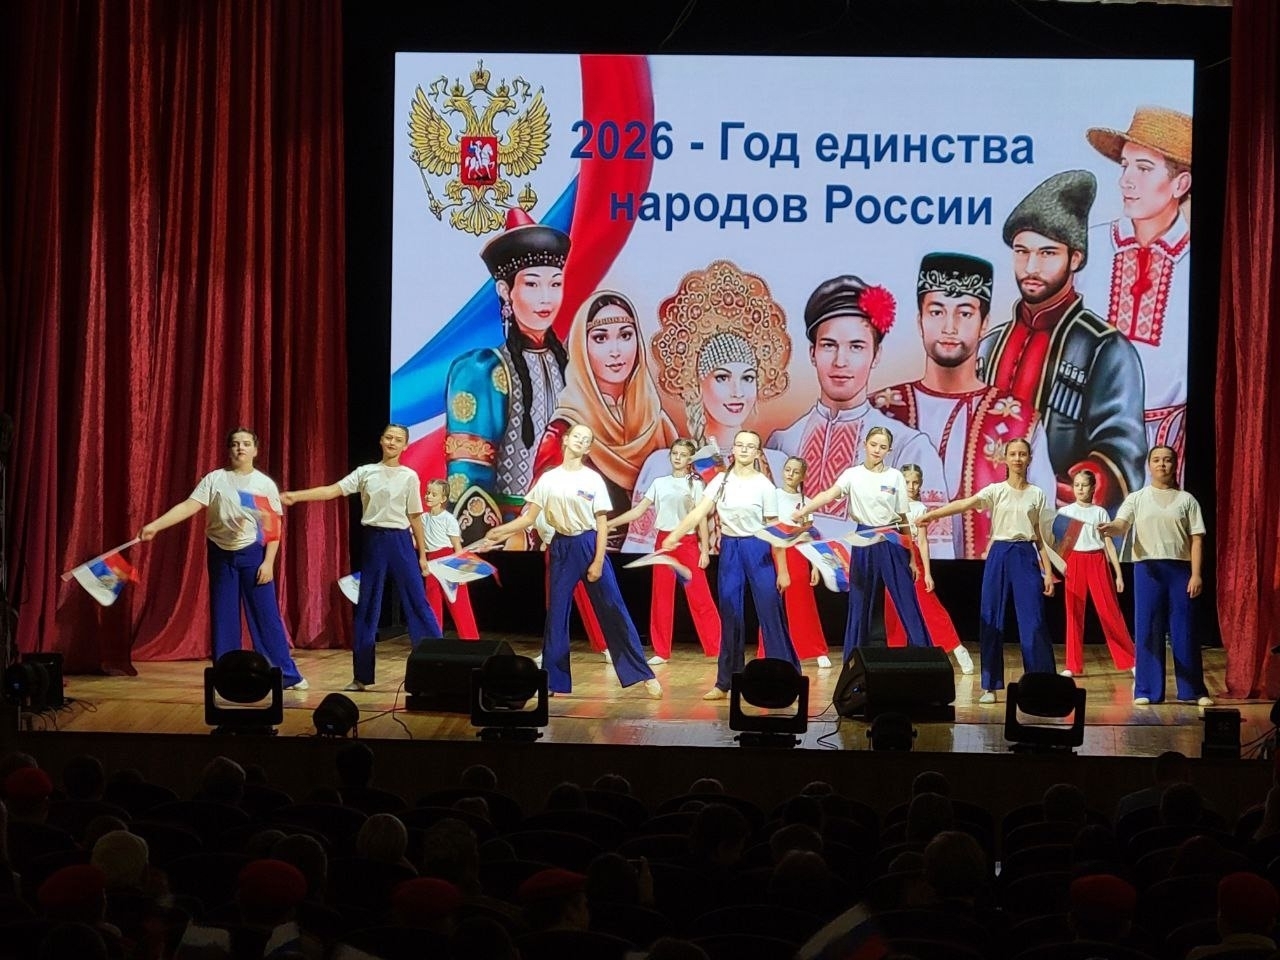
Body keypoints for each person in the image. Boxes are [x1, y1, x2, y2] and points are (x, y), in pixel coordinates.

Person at [977, 170, 1147, 509]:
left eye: (1047, 253)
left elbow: (1123, 452)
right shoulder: (990, 344)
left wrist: (1078, 490)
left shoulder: (1105, 348)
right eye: (1022, 252)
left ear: (1076, 258)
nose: (1031, 267)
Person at [874, 252, 1056, 558]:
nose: (950, 326)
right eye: (936, 312)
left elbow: (1043, 518)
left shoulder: (1020, 421)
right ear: (920, 321)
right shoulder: (882, 411)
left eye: (965, 313)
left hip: (989, 575)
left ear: (984, 324)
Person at [484, 423, 660, 698]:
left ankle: (643, 673)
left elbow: (601, 524)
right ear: (565, 440)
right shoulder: (549, 479)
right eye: (576, 436)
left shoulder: (592, 480)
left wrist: (598, 561)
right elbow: (529, 518)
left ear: (588, 448)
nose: (580, 441)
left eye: (586, 439)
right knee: (556, 615)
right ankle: (553, 682)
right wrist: (500, 531)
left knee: (613, 608)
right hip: (562, 547)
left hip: (589, 544)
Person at [627, 259, 792, 553]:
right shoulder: (663, 465)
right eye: (722, 377)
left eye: (748, 377)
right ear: (696, 382)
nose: (737, 392)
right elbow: (639, 553)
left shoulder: (777, 466)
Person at [767, 274, 942, 536]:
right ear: (812, 353)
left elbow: (933, 547)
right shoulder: (781, 444)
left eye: (856, 347)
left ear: (876, 355)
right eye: (829, 345)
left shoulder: (909, 448)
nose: (840, 361)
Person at [138, 427, 306, 690]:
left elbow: (273, 528)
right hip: (220, 554)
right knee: (223, 615)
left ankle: (286, 674)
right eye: (235, 444)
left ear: (255, 450)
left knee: (266, 616)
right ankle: (226, 675)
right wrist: (155, 526)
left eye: (246, 443)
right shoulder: (215, 479)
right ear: (229, 450)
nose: (240, 448)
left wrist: (268, 562)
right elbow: (189, 506)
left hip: (252, 554)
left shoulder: (263, 484)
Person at [282, 424, 443, 691]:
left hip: (400, 541)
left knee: (418, 603)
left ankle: (437, 668)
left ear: (405, 446)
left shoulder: (409, 476)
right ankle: (362, 676)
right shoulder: (366, 472)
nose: (392, 442)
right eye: (388, 437)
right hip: (374, 541)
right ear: (381, 440)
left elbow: (415, 517)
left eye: (398, 440)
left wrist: (423, 556)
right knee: (368, 606)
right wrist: (296, 496)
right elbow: (332, 490)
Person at [443, 209, 571, 541]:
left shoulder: (572, 365)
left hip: (568, 527)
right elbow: (467, 479)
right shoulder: (484, 369)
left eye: (555, 284)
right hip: (508, 534)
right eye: (532, 284)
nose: (546, 298)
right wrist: (494, 539)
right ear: (505, 290)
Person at [1082, 106, 1192, 475]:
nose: (1126, 181)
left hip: (1169, 445)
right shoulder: (1091, 247)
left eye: (1143, 169)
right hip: (1092, 443)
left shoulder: (1195, 259)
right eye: (1125, 166)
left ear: (1180, 184)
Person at [661, 429, 801, 700]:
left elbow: (775, 530)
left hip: (758, 547)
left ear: (757, 452)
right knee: (730, 613)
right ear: (733, 450)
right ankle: (726, 681)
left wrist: (782, 570)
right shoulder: (721, 481)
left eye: (750, 446)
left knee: (770, 612)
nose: (744, 449)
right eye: (740, 445)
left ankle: (786, 678)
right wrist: (675, 535)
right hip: (730, 549)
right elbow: (699, 512)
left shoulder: (764, 485)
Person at [534, 290, 677, 549]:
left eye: (625, 336)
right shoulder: (565, 431)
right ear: (581, 347)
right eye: (600, 338)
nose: (616, 351)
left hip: (653, 562)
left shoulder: (658, 425)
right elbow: (540, 516)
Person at [918, 437, 1056, 703]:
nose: (1017, 458)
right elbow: (965, 504)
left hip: (1025, 554)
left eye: (1022, 454)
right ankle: (990, 686)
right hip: (1000, 554)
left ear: (1029, 459)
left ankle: (1041, 681)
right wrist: (933, 515)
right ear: (1005, 458)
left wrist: (1047, 572)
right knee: (991, 618)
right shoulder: (996, 490)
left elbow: (1041, 537)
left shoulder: (1037, 494)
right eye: (1013, 454)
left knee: (1034, 620)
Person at [792, 427, 931, 663]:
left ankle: (925, 657)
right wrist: (804, 510)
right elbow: (828, 495)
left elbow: (903, 518)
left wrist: (910, 556)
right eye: (873, 444)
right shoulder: (852, 474)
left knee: (906, 599)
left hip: (890, 538)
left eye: (883, 447)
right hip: (864, 538)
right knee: (859, 600)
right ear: (864, 444)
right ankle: (853, 659)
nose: (877, 450)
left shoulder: (895, 476)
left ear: (889, 450)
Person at [1099, 445, 1212, 705]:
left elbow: (1196, 539)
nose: (1162, 464)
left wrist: (1196, 574)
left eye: (1167, 460)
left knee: (1185, 630)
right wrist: (1111, 528)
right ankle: (1147, 690)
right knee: (1148, 629)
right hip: (1147, 570)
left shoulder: (1187, 500)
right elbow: (1122, 524)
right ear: (1149, 466)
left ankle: (1193, 690)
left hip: (1180, 571)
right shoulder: (1137, 498)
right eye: (1157, 460)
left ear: (1175, 464)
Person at [606, 439, 720, 664]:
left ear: (690, 459)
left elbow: (700, 520)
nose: (677, 457)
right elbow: (638, 511)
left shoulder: (696, 485)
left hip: (687, 543)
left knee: (700, 597)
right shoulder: (659, 483)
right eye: (675, 453)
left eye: (683, 454)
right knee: (661, 597)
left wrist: (705, 550)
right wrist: (610, 524)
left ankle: (716, 647)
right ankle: (661, 651)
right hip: (663, 542)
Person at [884, 464, 974, 675]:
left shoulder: (919, 509)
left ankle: (957, 648)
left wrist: (928, 573)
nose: (911, 486)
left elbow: (923, 542)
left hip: (914, 557)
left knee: (929, 606)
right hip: (893, 557)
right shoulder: (890, 506)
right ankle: (897, 655)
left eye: (915, 483)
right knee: (893, 607)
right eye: (907, 482)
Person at [1056, 469, 1136, 677]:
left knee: (1110, 611)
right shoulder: (1065, 512)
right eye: (1076, 485)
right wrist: (1059, 568)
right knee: (1073, 613)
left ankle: (1131, 660)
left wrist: (1118, 574)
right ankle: (1072, 665)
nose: (1080, 489)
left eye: (1084, 485)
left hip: (1097, 560)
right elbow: (1060, 546)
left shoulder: (1099, 512)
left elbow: (1109, 545)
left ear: (1093, 488)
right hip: (1074, 562)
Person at [769, 456, 832, 669]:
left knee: (802, 602)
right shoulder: (773, 495)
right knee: (772, 602)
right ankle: (771, 649)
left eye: (796, 471)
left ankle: (815, 650)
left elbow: (810, 535)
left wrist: (815, 565)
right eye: (788, 469)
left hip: (798, 552)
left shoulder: (807, 502)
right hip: (775, 549)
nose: (790, 474)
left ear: (803, 476)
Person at [422, 479, 479, 640]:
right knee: (432, 604)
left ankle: (471, 641)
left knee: (459, 604)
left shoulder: (448, 519)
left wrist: (461, 572)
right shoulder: (423, 518)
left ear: (443, 498)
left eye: (434, 494)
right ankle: (433, 641)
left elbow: (457, 547)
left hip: (448, 560)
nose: (429, 496)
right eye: (428, 493)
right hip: (432, 563)